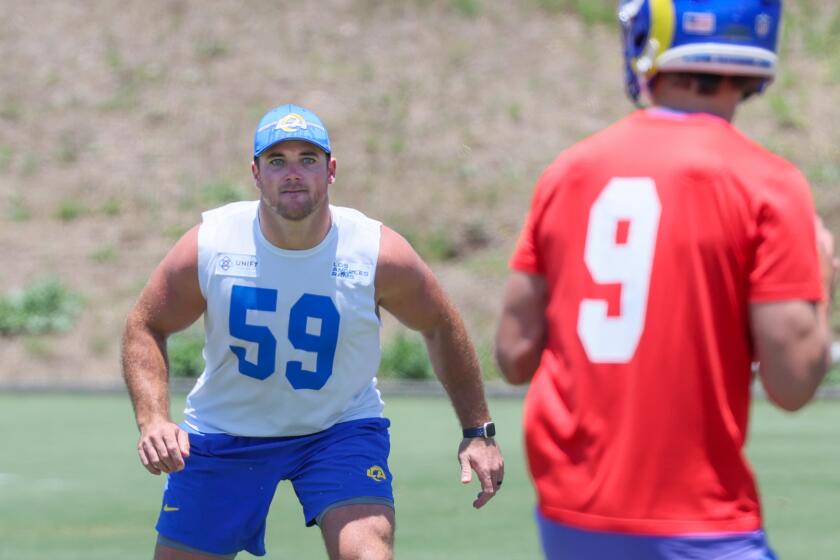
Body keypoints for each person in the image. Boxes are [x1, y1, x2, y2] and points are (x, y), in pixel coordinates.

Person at [494, 1, 837, 558]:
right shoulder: (771, 184)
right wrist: (821, 284)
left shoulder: (569, 170)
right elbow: (794, 384)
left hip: (571, 508)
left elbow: (513, 355)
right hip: (699, 518)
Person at [122, 103, 504, 560]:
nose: (293, 173)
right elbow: (145, 323)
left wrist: (478, 430)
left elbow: (441, 325)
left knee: (367, 554)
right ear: (256, 174)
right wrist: (153, 419)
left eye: (308, 159)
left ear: (331, 170)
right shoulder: (212, 244)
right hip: (225, 431)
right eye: (277, 161)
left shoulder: (376, 252)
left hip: (337, 429)